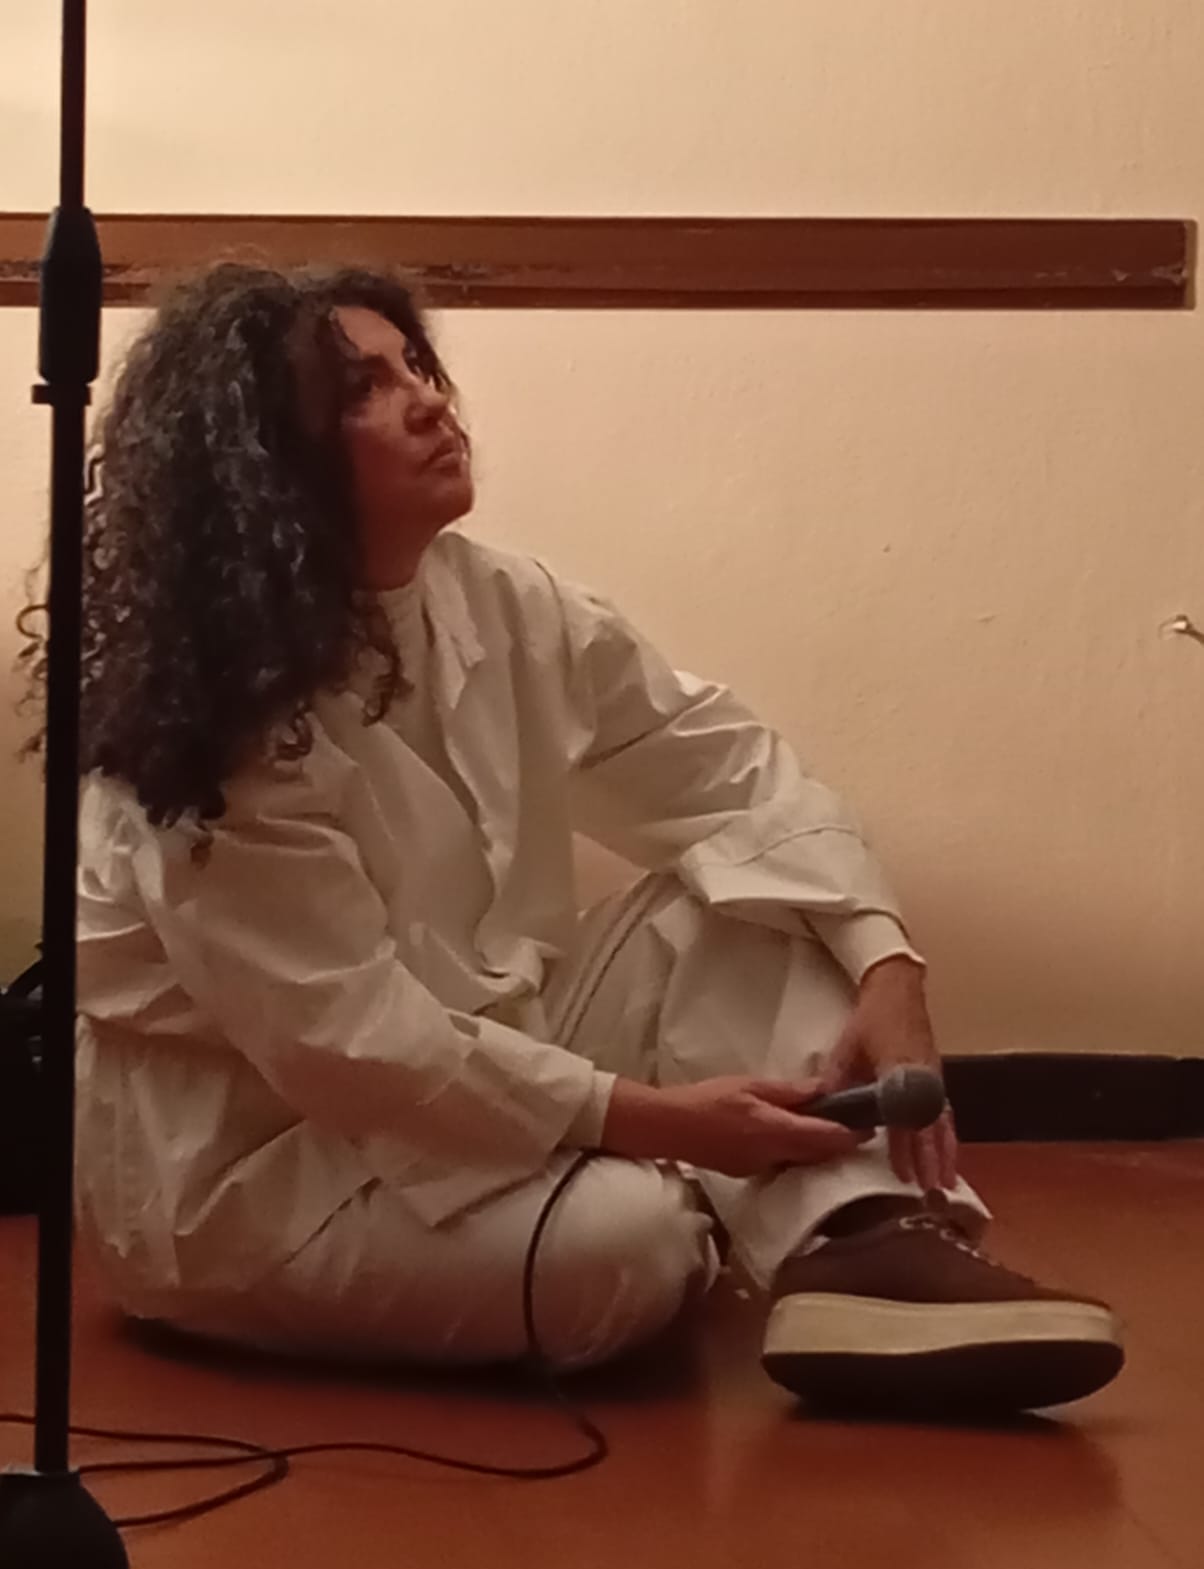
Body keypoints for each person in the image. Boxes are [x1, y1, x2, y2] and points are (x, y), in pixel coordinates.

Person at [44, 262, 1122, 1415]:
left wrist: (888, 966)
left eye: (415, 366)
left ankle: (862, 1245)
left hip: (491, 1055)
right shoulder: (213, 726)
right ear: (268, 458)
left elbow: (731, 777)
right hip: (263, 1171)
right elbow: (350, 1042)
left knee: (745, 903)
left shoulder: (505, 602)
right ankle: (711, 1207)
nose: (427, 401)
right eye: (363, 389)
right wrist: (655, 1122)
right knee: (633, 1246)